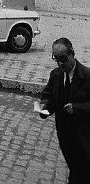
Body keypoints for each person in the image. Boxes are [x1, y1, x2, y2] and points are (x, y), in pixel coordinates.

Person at [39, 37, 90, 183]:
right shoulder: (55, 75)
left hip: (84, 137)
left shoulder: (87, 76)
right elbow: (47, 96)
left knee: (80, 172)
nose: (61, 63)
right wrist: (41, 108)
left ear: (72, 53)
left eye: (63, 58)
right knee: (75, 168)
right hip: (65, 136)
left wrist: (78, 108)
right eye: (56, 59)